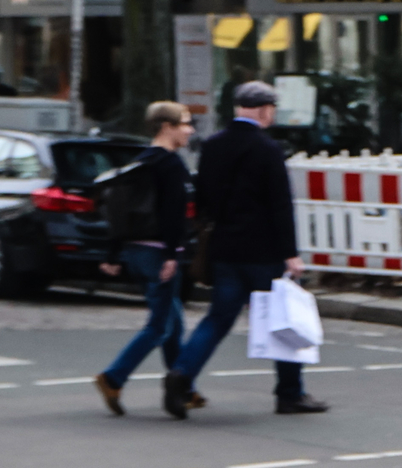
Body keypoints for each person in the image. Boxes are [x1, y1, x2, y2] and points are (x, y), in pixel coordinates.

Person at [166, 81, 324, 416]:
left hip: (225, 247)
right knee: (281, 321)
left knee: (218, 319)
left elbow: (203, 197)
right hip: (263, 250)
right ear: (266, 109)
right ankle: (290, 393)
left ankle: (181, 374)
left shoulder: (212, 146)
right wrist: (290, 253)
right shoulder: (268, 150)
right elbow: (280, 205)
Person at [92, 101, 195, 417]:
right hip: (157, 251)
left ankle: (184, 387)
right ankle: (113, 378)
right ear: (167, 127)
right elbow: (172, 215)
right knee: (159, 327)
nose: (190, 130)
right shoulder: (171, 165)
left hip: (135, 252)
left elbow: (118, 209)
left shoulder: (139, 162)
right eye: (186, 123)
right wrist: (171, 254)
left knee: (173, 323)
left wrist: (113, 252)